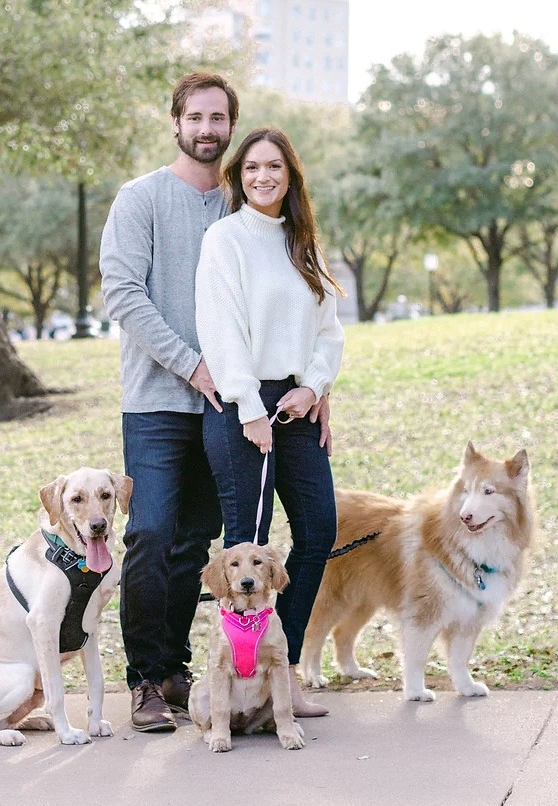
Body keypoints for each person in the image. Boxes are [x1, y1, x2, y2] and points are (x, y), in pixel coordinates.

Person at [98, 72, 239, 732]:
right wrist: (192, 365)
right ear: (176, 123)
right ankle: (144, 680)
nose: (207, 129)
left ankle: (174, 669)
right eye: (196, 117)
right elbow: (123, 294)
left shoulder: (245, 202)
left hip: (226, 406)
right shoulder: (141, 199)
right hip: (155, 402)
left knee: (193, 543)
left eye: (218, 118)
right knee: (150, 534)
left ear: (231, 126)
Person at [195, 126, 345, 718]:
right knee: (245, 557)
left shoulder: (302, 243)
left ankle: (283, 674)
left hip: (297, 406)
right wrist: (249, 407)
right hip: (244, 409)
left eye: (274, 167)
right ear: (239, 176)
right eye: (253, 167)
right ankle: (235, 691)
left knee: (317, 529)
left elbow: (328, 330)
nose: (264, 176)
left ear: (290, 177)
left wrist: (314, 385)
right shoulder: (225, 239)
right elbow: (220, 327)